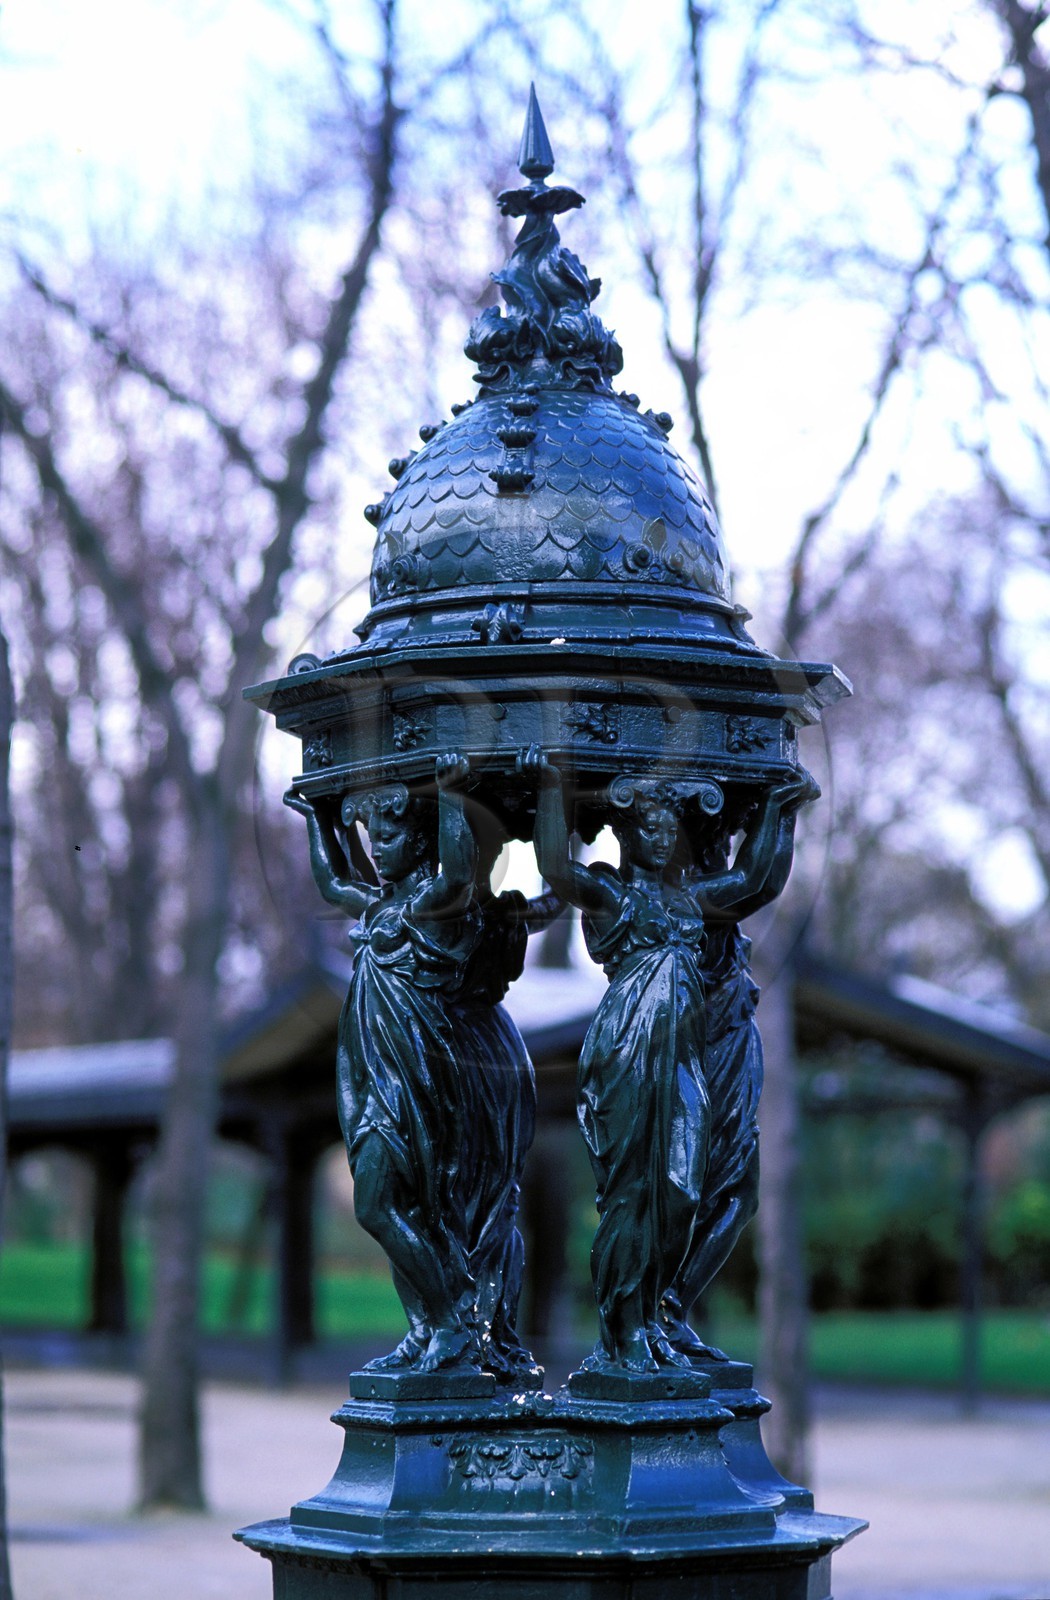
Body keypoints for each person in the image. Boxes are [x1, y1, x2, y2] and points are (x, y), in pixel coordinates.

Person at [525, 744, 812, 1374]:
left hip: (679, 1064)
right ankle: (623, 1333)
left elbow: (757, 881)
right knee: (634, 1193)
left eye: (668, 828)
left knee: (681, 1188)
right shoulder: (610, 892)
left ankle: (655, 1315)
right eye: (648, 827)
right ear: (627, 832)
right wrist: (550, 786)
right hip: (629, 1054)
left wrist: (785, 809)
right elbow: (555, 864)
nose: (661, 838)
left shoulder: (690, 901)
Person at [285, 755, 481, 1373]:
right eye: (372, 839)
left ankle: (453, 1316)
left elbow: (457, 875)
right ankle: (425, 1328)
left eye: (391, 836)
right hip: (369, 1076)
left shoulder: (428, 905)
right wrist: (319, 819)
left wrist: (451, 795)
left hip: (415, 1079)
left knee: (381, 1204)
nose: (379, 850)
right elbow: (334, 884)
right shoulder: (377, 907)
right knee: (397, 1206)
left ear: (418, 838)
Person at [659, 781, 818, 1360]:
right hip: (684, 1050)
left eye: (723, 837)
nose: (718, 848)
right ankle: (655, 1310)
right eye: (709, 838)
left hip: (730, 1040)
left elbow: (756, 879)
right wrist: (783, 806)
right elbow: (759, 881)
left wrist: (783, 810)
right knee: (681, 1184)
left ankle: (671, 1307)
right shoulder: (675, 898)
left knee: (738, 1192)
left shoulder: (709, 896)